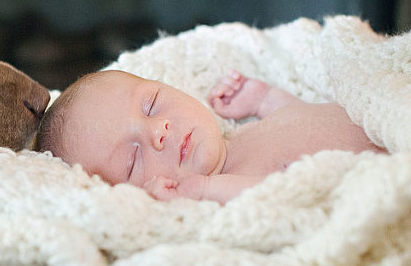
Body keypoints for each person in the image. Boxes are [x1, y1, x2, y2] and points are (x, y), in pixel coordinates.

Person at [36, 69, 385, 203]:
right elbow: (279, 196)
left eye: (152, 104)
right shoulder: (225, 189)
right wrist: (201, 191)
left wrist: (263, 98)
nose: (158, 131)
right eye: (133, 159)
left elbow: (304, 117)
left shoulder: (248, 133)